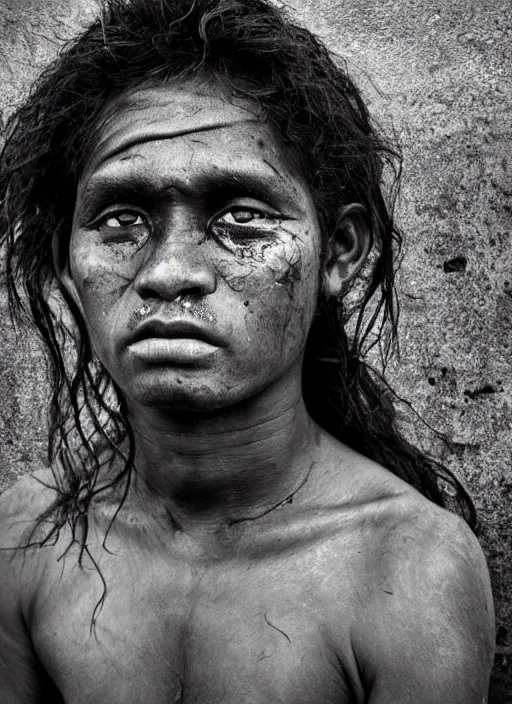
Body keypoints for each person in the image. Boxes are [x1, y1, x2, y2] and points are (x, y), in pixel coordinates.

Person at [0, 0, 495, 701]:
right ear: (64, 262)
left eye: (242, 219)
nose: (169, 271)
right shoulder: (24, 539)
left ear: (341, 254)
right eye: (120, 220)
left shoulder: (408, 565)